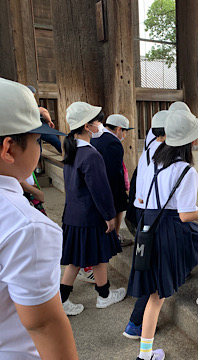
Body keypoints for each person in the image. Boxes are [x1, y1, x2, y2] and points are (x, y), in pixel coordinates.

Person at [128, 110, 198, 360]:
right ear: (191, 141)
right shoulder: (186, 170)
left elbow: (145, 198)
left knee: (156, 295)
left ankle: (145, 354)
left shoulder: (154, 160)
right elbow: (186, 215)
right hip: (170, 228)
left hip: (148, 224)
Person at [0, 78, 78, 359]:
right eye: (36, 140)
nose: (39, 148)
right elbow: (43, 324)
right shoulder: (26, 226)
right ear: (8, 148)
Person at [60, 101, 126, 316]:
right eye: (97, 121)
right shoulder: (91, 155)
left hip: (73, 214)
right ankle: (103, 296)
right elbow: (100, 190)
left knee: (79, 259)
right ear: (88, 126)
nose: (100, 125)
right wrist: (109, 216)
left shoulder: (71, 151)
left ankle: (94, 295)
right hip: (91, 215)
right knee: (97, 256)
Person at [123, 109, 169, 340]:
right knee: (155, 276)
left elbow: (139, 194)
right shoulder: (167, 155)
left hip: (145, 216)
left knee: (150, 270)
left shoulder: (148, 151)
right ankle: (135, 324)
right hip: (158, 220)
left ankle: (136, 323)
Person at [91, 114, 134, 246]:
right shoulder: (113, 142)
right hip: (110, 185)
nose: (125, 135)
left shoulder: (96, 138)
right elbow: (114, 171)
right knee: (118, 207)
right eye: (125, 131)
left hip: (96, 184)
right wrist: (120, 191)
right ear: (119, 129)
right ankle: (114, 239)